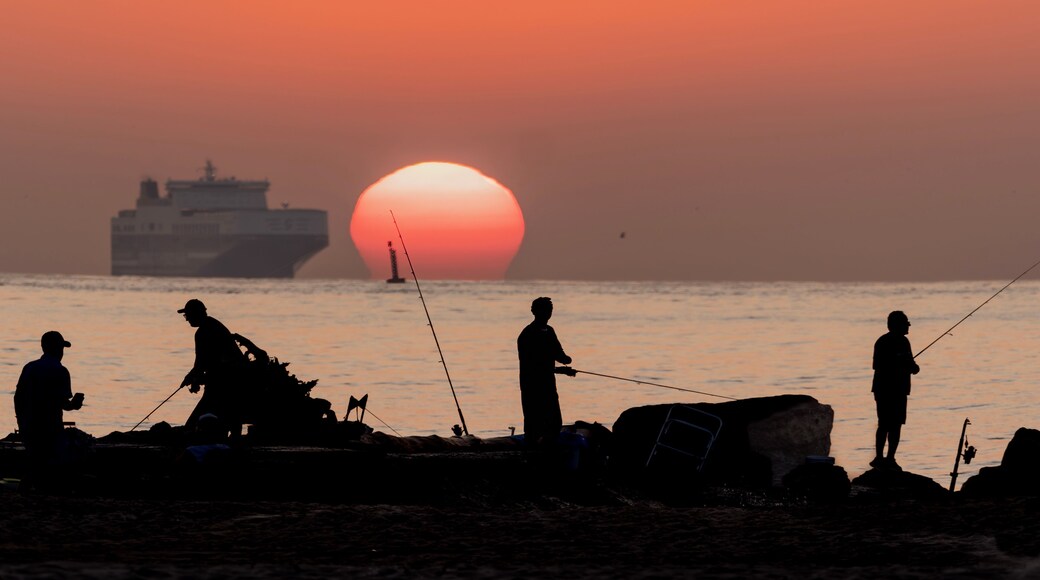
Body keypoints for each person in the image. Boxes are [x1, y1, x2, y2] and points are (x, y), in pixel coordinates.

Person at [14, 331, 85, 480]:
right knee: (53, 466)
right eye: (61, 348)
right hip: (51, 430)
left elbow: (18, 398)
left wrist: (22, 423)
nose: (62, 352)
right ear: (58, 350)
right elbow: (64, 404)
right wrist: (76, 404)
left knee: (35, 463)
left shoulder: (29, 368)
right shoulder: (61, 371)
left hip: (29, 428)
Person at [178, 299, 246, 431]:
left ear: (196, 314)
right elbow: (204, 363)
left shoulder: (203, 332)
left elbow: (201, 364)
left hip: (223, 382)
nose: (186, 320)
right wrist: (193, 377)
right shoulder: (215, 325)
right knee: (230, 418)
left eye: (188, 315)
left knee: (194, 423)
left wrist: (190, 378)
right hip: (233, 379)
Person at [517, 297, 576, 447]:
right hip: (531, 385)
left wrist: (565, 361)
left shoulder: (550, 331)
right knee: (533, 422)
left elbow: (559, 354)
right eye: (544, 310)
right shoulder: (527, 334)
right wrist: (560, 369)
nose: (547, 313)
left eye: (549, 310)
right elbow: (531, 365)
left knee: (555, 422)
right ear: (534, 311)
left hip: (548, 384)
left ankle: (549, 450)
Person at [871, 310, 920, 471]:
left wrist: (913, 367)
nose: (908, 327)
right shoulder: (882, 342)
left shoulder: (905, 342)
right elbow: (877, 365)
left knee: (897, 424)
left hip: (900, 390)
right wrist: (899, 362)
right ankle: (879, 458)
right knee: (884, 424)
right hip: (884, 390)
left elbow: (911, 365)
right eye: (906, 324)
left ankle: (890, 458)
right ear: (896, 326)